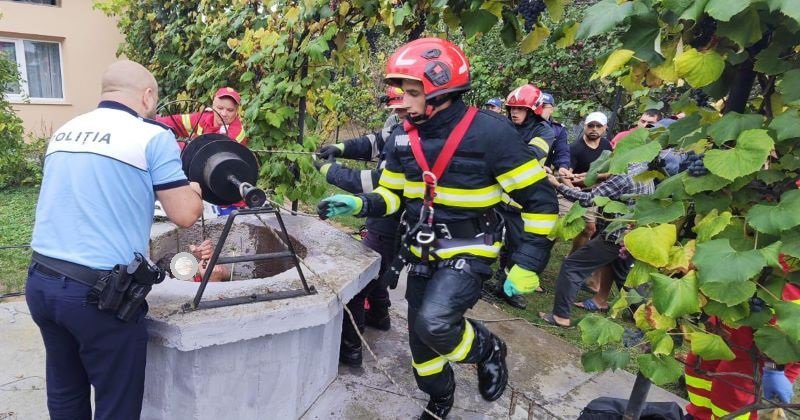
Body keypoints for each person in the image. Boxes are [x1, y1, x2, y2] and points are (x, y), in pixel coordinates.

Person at [317, 38, 558, 419]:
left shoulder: (493, 134)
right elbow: (393, 197)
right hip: (423, 252)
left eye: (413, 92)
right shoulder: (401, 137)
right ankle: (440, 398)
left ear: (443, 90)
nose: (402, 101)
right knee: (422, 350)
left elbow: (541, 202)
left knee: (435, 323)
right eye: (400, 91)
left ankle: (488, 348)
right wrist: (360, 204)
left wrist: (527, 262)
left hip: (471, 248)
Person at [25, 60, 203, 420]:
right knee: (116, 403)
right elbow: (184, 214)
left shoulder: (65, 129)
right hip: (97, 298)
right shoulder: (151, 136)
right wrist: (193, 190)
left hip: (41, 283)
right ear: (148, 96)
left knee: (65, 390)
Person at [314, 86, 407, 367]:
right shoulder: (398, 125)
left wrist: (331, 171)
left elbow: (377, 182)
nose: (398, 112)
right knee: (379, 271)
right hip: (385, 217)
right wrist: (339, 148)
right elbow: (373, 142)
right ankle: (380, 318)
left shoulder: (414, 138)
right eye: (394, 108)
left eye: (401, 107)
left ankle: (350, 349)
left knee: (357, 282)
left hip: (393, 219)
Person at [539, 162, 654, 326]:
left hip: (615, 237)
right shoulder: (643, 169)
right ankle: (650, 320)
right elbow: (612, 177)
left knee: (572, 266)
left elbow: (587, 199)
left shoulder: (624, 177)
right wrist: (583, 177)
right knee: (624, 277)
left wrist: (557, 184)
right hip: (633, 235)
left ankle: (561, 317)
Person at [684, 283, 800, 419]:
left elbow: (787, 342)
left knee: (731, 394)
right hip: (727, 323)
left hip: (759, 349)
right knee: (698, 369)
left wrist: (775, 369)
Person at [488, 83, 556, 309]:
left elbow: (532, 155)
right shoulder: (506, 125)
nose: (514, 112)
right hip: (498, 197)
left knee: (517, 247)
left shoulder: (544, 131)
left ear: (533, 110)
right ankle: (477, 278)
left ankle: (506, 286)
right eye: (511, 108)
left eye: (520, 108)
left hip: (521, 203)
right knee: (487, 239)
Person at [157, 86, 247, 146]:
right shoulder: (205, 117)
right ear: (213, 106)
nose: (224, 114)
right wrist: (152, 119)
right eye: (220, 108)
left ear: (236, 111)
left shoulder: (235, 132)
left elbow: (210, 150)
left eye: (230, 110)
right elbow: (177, 121)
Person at [538, 92, 571, 175]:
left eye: (544, 106)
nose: (540, 109)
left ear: (551, 109)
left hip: (545, 173)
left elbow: (562, 151)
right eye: (538, 106)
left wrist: (563, 166)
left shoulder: (558, 130)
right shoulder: (525, 126)